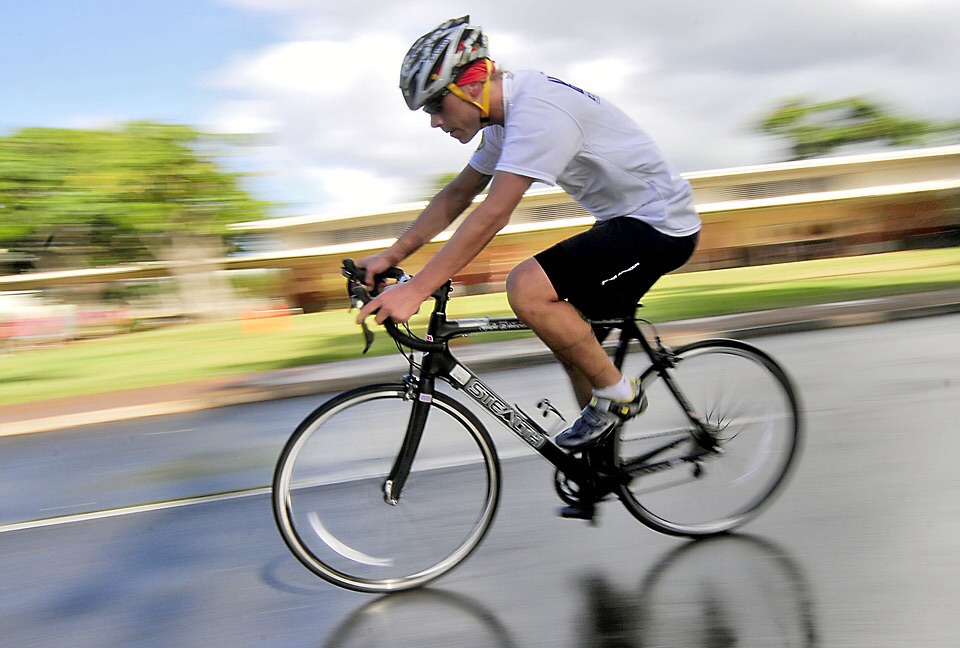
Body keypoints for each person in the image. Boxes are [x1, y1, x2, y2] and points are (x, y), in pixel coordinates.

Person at [357, 16, 701, 449]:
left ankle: (619, 395)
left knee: (526, 287)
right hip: (623, 221)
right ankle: (599, 466)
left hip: (659, 225)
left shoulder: (538, 112)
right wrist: (391, 256)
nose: (434, 122)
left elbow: (493, 214)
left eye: (436, 106)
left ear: (474, 84)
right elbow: (459, 193)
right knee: (572, 343)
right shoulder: (505, 120)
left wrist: (418, 289)